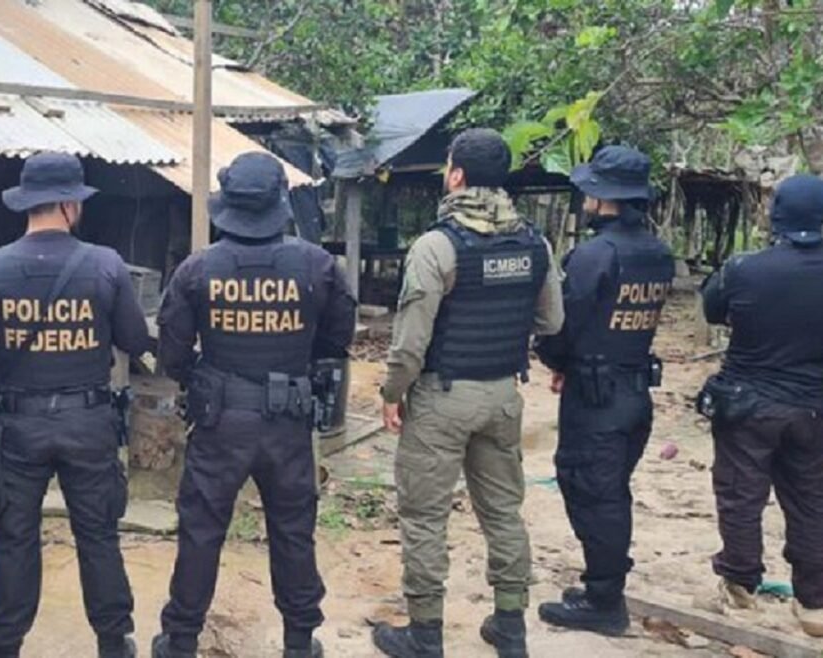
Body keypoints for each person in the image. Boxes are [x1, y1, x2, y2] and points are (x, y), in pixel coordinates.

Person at [152, 152, 357, 658]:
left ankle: (181, 640)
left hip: (220, 422)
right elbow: (337, 340)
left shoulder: (197, 269)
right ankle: (299, 642)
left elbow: (172, 354)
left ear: (228, 203)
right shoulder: (318, 266)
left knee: (201, 530)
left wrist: (207, 379)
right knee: (293, 530)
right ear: (279, 201)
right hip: (288, 422)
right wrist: (294, 366)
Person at [374, 128, 564, 658]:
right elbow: (552, 321)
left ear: (456, 175)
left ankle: (425, 634)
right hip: (503, 395)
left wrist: (392, 392)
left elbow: (410, 343)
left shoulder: (437, 246)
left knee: (424, 516)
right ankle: (510, 628)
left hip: (442, 397)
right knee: (503, 511)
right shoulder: (535, 243)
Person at [0, 152, 150, 658]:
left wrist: (8, 388)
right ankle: (114, 642)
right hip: (89, 422)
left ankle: (2, 646)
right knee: (98, 535)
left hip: (19, 426)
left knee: (13, 537)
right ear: (70, 204)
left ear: (28, 203)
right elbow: (135, 339)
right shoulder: (106, 265)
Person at [534, 146, 675, 636]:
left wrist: (556, 360)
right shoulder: (657, 253)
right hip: (633, 390)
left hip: (596, 398)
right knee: (609, 490)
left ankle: (604, 601)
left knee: (593, 492)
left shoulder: (595, 256)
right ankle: (602, 587)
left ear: (602, 197)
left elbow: (562, 323)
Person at [697, 174, 823, 638]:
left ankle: (739, 585)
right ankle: (814, 603)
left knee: (741, 495)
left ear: (776, 216)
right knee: (811, 499)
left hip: (748, 404)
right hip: (814, 407)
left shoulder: (745, 268)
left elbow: (712, 309)